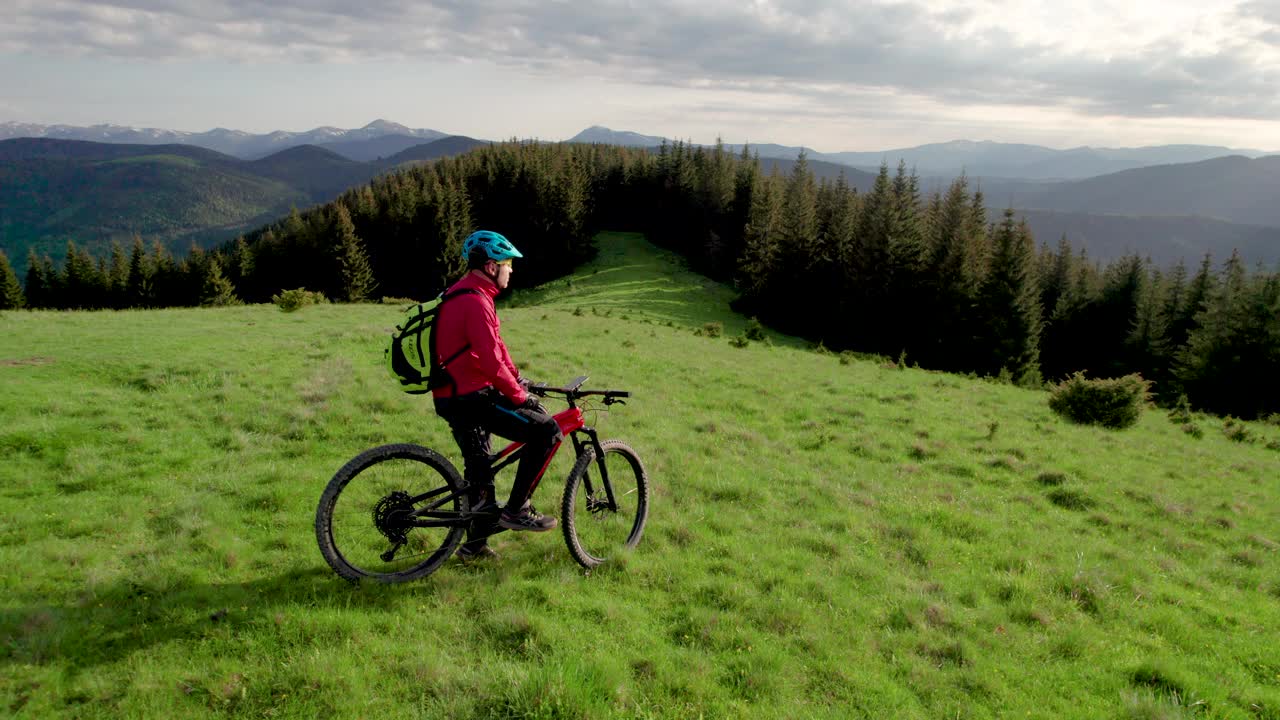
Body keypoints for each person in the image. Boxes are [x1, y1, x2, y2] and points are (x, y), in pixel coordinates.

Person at [431, 230, 564, 561]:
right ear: (491, 266)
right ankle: (518, 509)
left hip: (451, 395)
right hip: (470, 397)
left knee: (480, 468)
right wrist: (520, 398)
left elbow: (494, 348)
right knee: (547, 430)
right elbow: (490, 362)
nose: (512, 271)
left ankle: (474, 548)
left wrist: (518, 380)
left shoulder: (463, 294)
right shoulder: (476, 301)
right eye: (508, 264)